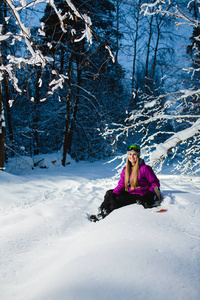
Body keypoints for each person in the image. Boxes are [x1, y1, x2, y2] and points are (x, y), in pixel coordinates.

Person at [90, 144, 161, 222]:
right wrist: (114, 193)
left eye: (134, 154)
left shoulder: (145, 169)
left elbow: (155, 183)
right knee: (109, 193)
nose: (132, 156)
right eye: (130, 154)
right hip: (130, 192)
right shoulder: (126, 169)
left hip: (140, 194)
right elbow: (121, 184)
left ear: (138, 155)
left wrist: (149, 194)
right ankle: (103, 211)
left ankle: (107, 216)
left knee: (118, 199)